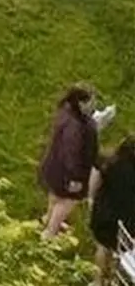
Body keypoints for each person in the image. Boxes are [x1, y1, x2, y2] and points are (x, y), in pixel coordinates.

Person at [38, 85, 99, 239]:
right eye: (91, 102)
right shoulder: (74, 127)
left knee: (55, 196)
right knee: (68, 201)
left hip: (54, 167)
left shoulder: (66, 113)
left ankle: (49, 219)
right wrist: (75, 179)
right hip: (66, 173)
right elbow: (71, 154)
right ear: (80, 103)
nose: (94, 105)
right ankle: (50, 232)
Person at [89, 138, 135, 286]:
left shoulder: (109, 164)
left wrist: (91, 200)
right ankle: (114, 280)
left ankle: (98, 282)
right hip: (130, 220)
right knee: (121, 249)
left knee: (102, 247)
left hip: (106, 215)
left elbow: (94, 186)